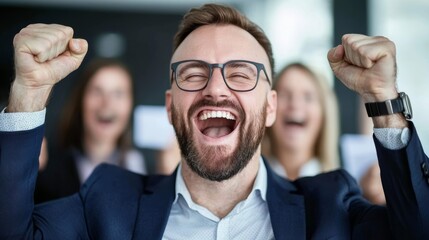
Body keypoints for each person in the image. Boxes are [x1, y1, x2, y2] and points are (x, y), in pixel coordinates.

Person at [0, 4, 428, 239]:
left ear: (271, 108)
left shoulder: (331, 208)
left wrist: (382, 103)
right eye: (193, 73)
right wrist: (29, 94)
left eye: (241, 73)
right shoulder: (106, 202)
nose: (216, 89)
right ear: (170, 106)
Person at [34, 58, 146, 203]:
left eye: (118, 94)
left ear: (131, 105)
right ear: (80, 102)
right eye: (97, 92)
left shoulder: (137, 165)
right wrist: (28, 176)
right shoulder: (47, 167)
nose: (107, 103)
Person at [262, 63, 339, 180]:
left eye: (308, 97)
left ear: (324, 113)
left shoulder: (346, 191)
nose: (295, 104)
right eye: (284, 94)